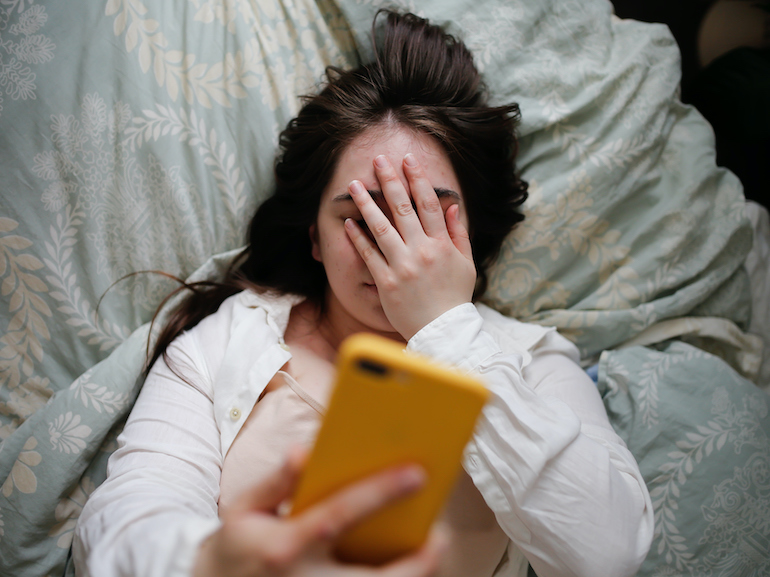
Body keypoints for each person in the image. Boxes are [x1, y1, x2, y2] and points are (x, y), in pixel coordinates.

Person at [74, 10, 654, 577]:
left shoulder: (534, 361)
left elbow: (608, 554)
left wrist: (445, 329)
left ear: (472, 238)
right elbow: (123, 522)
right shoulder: (223, 344)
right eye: (362, 215)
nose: (395, 244)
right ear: (316, 239)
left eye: (428, 215)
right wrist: (211, 560)